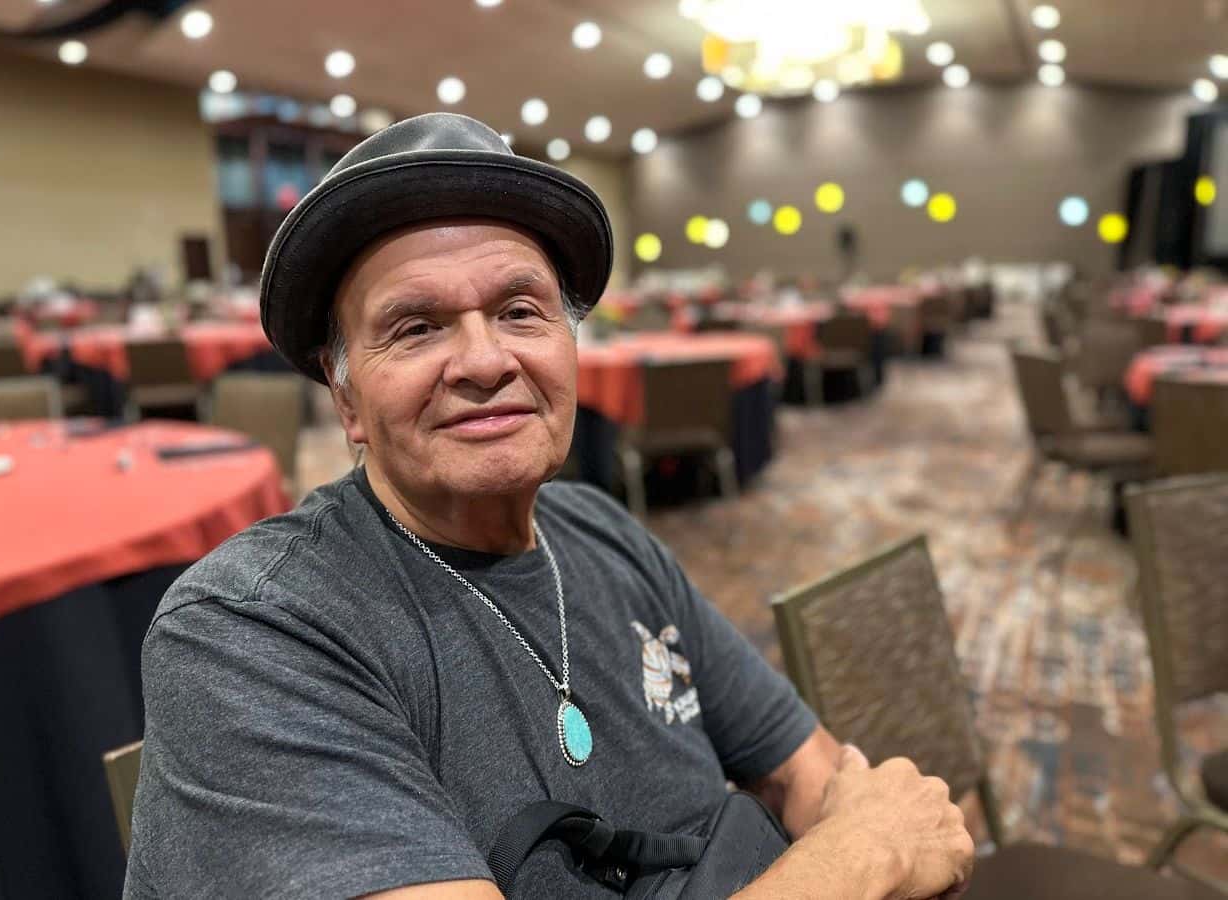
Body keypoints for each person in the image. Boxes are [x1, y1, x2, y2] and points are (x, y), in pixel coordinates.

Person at [124, 113, 972, 899]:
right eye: (416, 328)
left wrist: (860, 830)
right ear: (346, 402)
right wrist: (863, 855)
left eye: (520, 310)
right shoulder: (252, 631)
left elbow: (805, 768)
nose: (485, 360)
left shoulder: (601, 531)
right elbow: (858, 833)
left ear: (570, 348)